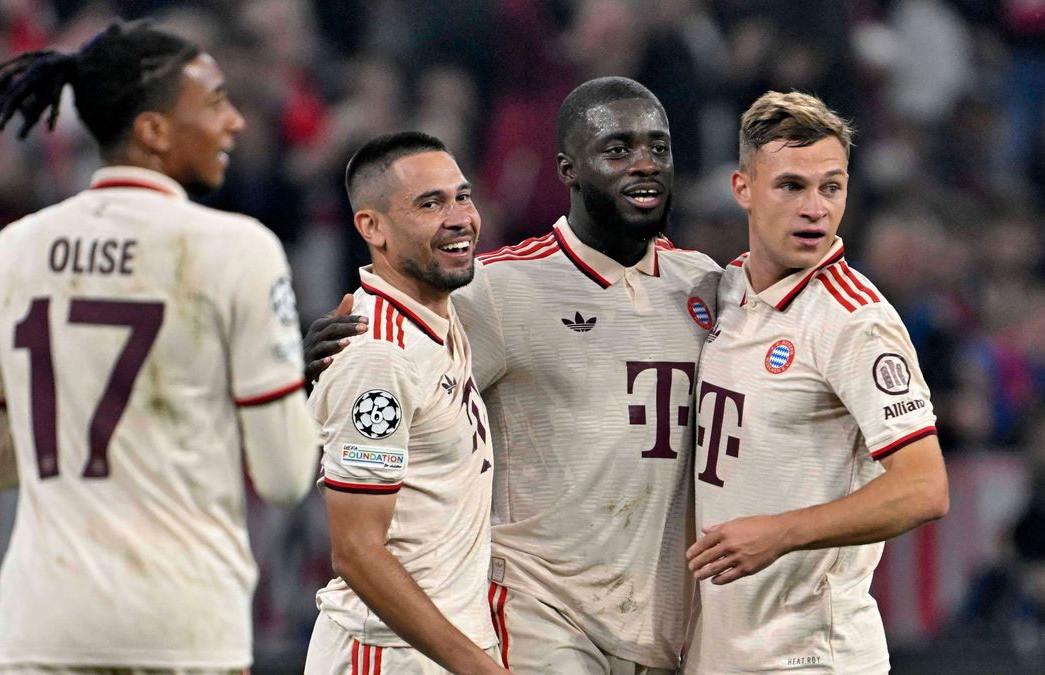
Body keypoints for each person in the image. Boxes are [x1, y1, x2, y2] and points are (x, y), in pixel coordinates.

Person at [0, 20, 317, 674]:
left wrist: (83, 449)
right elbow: (284, 477)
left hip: (43, 627)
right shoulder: (238, 250)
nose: (236, 123)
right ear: (153, 130)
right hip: (183, 625)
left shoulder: (15, 249)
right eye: (216, 102)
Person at [306, 77, 721, 673]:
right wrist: (303, 365)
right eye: (617, 149)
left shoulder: (702, 283)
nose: (644, 165)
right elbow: (357, 538)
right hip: (520, 619)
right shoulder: (494, 291)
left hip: (649, 621)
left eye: (659, 148)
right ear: (567, 169)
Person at [684, 90, 949, 673]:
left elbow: (924, 488)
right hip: (722, 652)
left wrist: (782, 533)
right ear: (743, 190)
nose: (816, 208)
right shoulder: (722, 295)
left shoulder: (855, 321)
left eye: (831, 187)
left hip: (812, 655)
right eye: (791, 186)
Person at [302, 131, 506, 675]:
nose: (460, 216)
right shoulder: (380, 356)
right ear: (372, 228)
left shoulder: (436, 313)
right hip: (385, 656)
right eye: (430, 203)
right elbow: (358, 552)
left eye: (462, 196)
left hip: (438, 649)